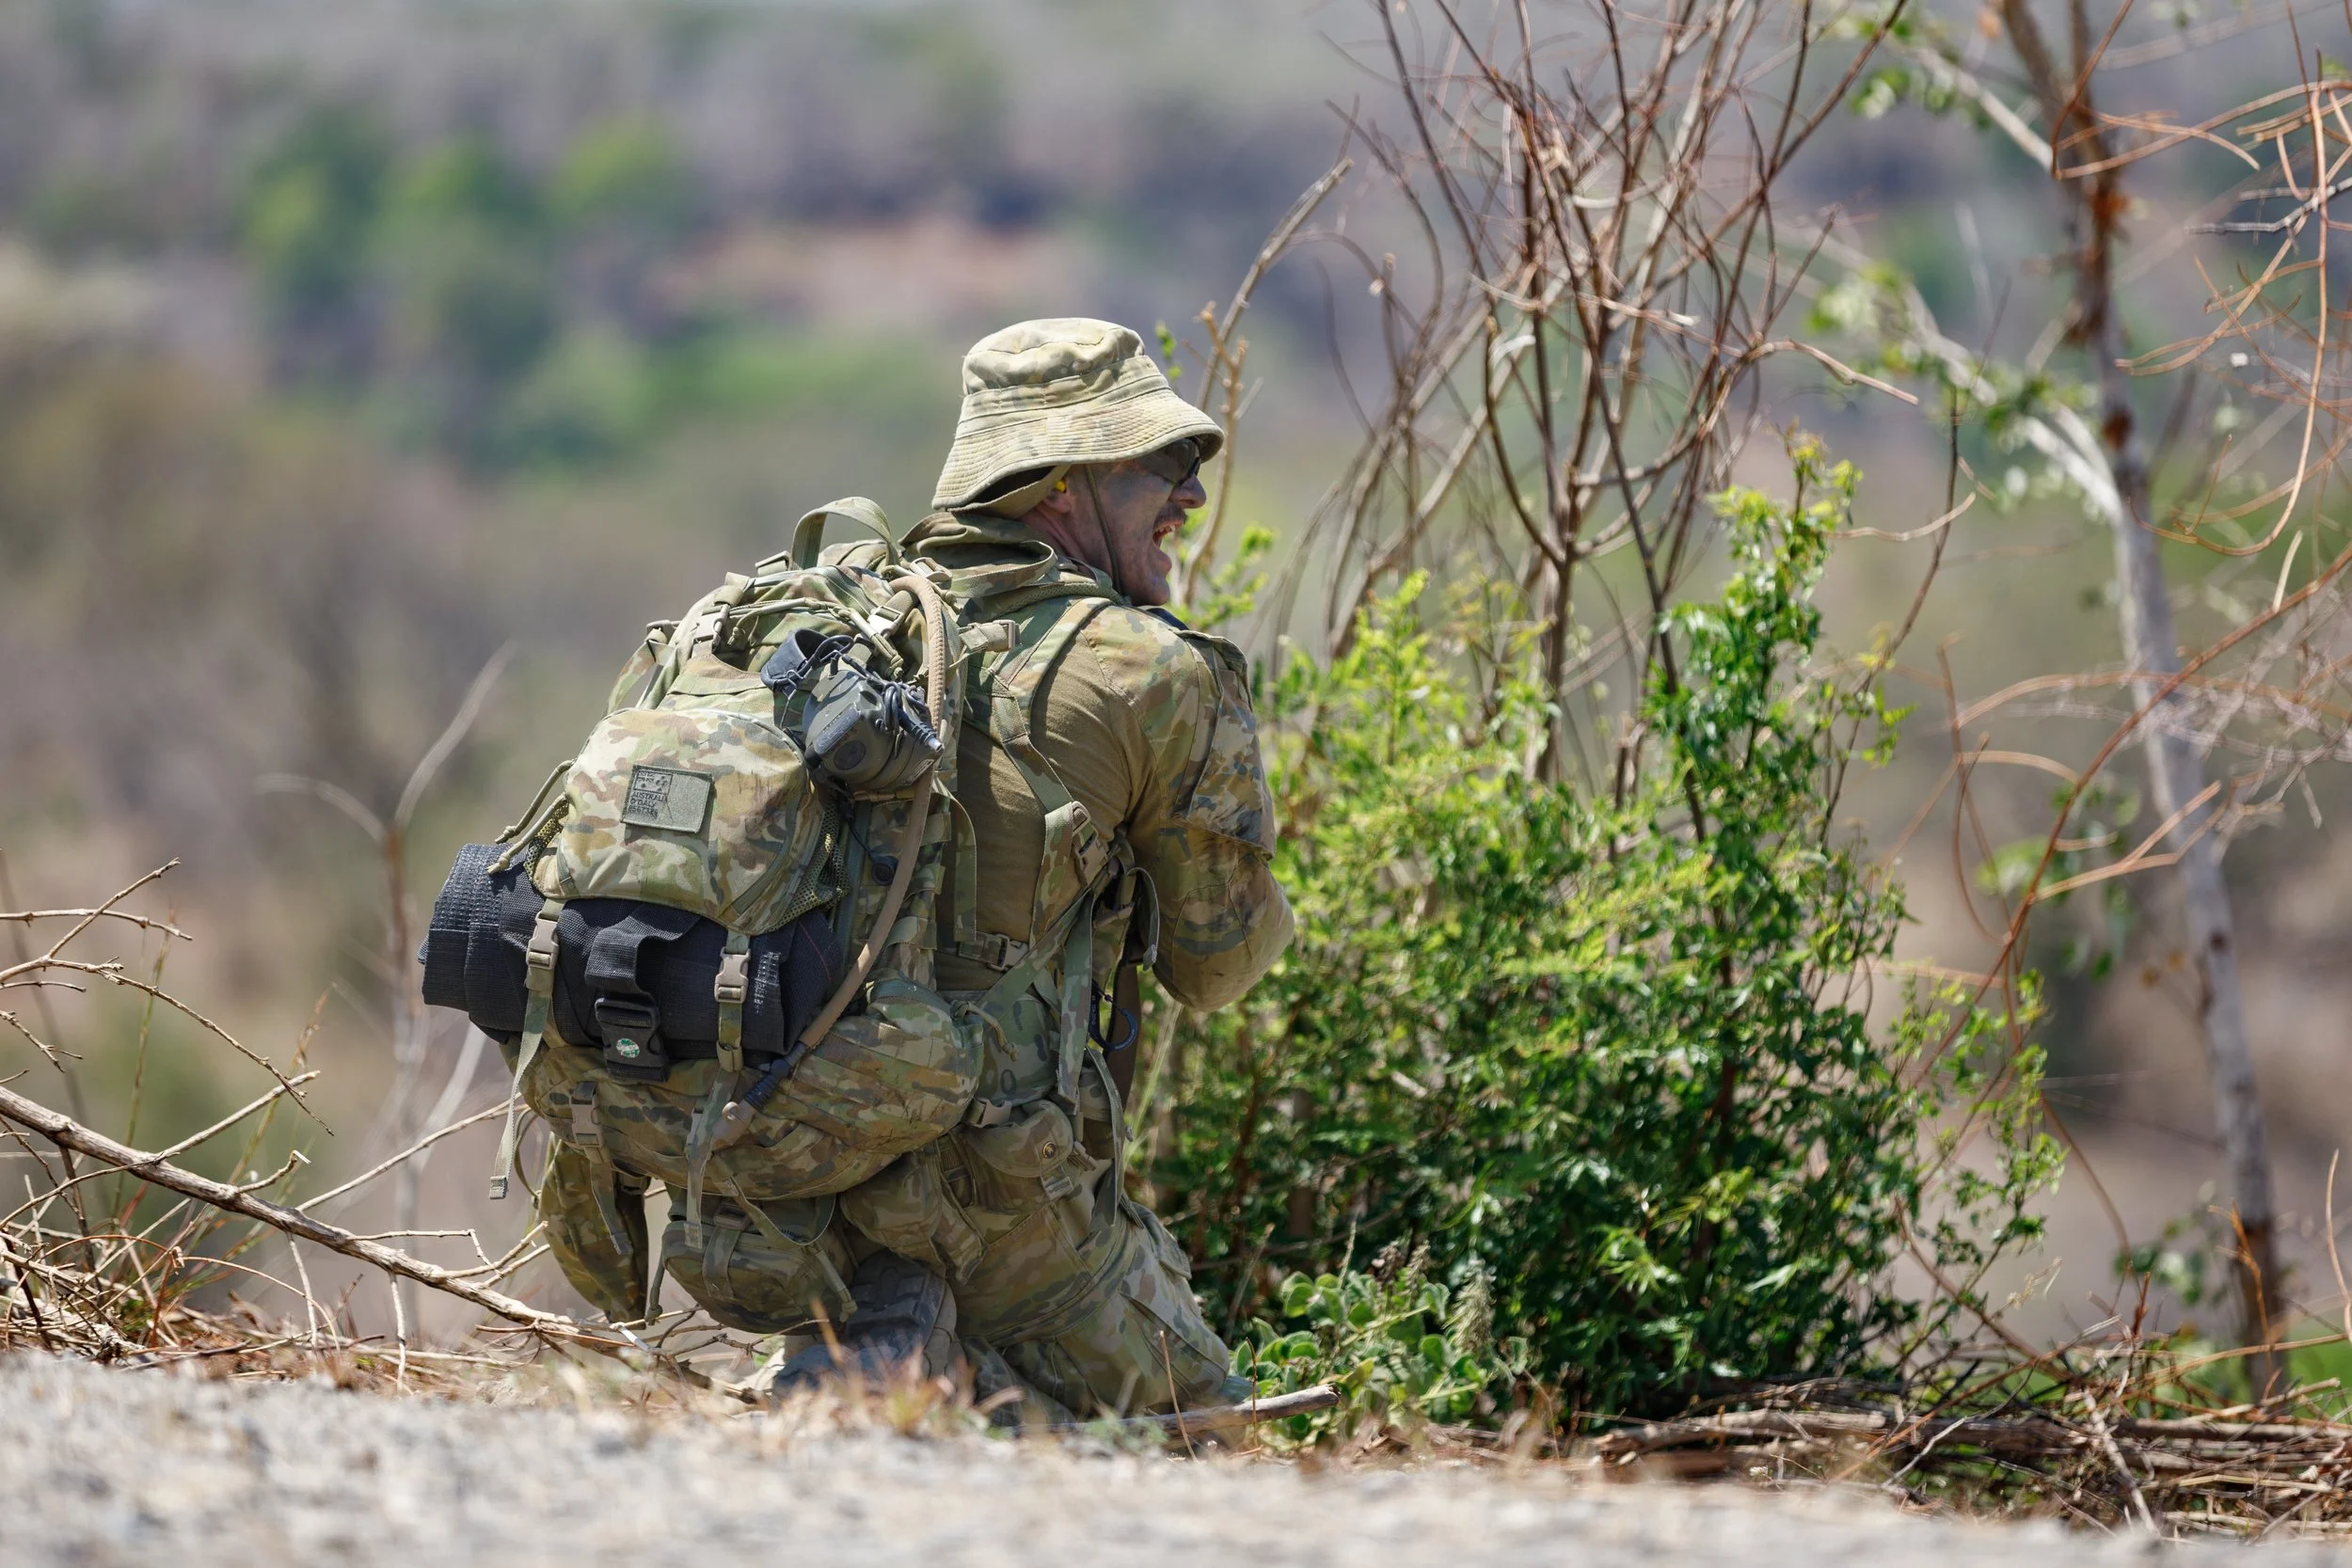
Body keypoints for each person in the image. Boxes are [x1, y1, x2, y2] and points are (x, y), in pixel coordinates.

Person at [540, 318, 1293, 1419]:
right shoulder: (1148, 669)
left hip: (743, 1186)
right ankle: (928, 1355)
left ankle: (893, 1344)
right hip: (996, 1210)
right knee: (1215, 1446)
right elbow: (1216, 969)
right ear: (1059, 484)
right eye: (1162, 465)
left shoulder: (793, 623)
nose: (1190, 495)